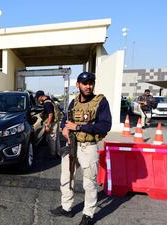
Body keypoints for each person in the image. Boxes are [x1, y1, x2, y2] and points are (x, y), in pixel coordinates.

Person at [50, 72, 112, 225]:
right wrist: (65, 128)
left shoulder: (101, 102)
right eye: (85, 83)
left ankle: (88, 214)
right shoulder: (74, 102)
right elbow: (66, 119)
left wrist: (78, 126)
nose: (88, 86)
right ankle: (66, 208)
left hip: (88, 147)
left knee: (89, 182)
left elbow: (105, 125)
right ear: (78, 85)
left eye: (91, 83)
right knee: (66, 178)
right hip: (72, 145)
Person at [35, 90, 61, 158]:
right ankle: (58, 153)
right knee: (56, 138)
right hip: (56, 121)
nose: (38, 99)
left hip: (52, 122)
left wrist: (48, 125)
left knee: (52, 138)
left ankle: (53, 154)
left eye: (38, 98)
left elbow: (50, 114)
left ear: (40, 97)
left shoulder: (47, 103)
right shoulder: (49, 99)